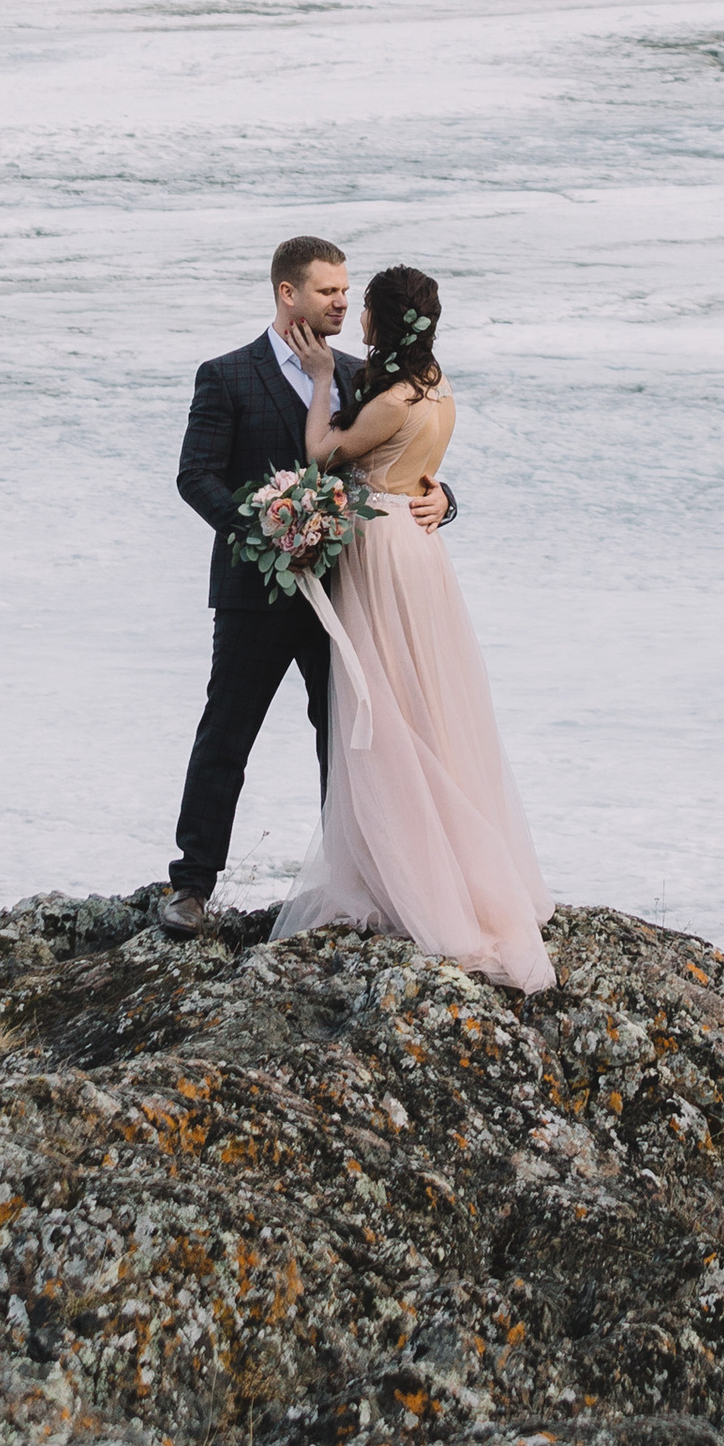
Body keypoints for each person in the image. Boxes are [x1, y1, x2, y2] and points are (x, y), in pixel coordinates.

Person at [160, 236, 453, 937]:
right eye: (328, 291)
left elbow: (401, 461)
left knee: (351, 742)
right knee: (226, 734)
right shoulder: (227, 375)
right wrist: (267, 532)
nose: (342, 302)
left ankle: (354, 884)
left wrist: (444, 499)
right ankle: (191, 885)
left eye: (347, 291)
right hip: (254, 593)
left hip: (349, 593)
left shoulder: (362, 376)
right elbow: (195, 476)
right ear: (287, 294)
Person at [274, 261, 553, 992]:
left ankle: (416, 879)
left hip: (383, 550)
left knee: (388, 702)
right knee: (424, 703)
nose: (354, 312)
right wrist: (438, 496)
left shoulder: (394, 396)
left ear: (383, 319)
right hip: (419, 552)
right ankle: (429, 862)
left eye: (363, 303)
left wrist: (323, 381)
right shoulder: (437, 385)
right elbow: (415, 463)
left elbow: (321, 453)